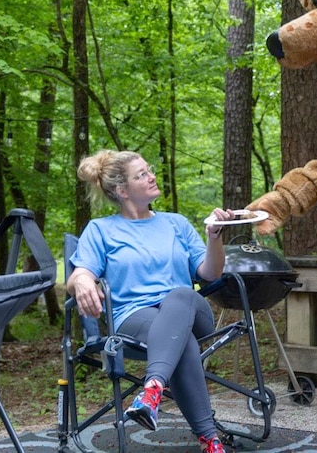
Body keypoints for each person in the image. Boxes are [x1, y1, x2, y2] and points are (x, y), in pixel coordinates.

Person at [67, 149, 234, 453]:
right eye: (141, 174)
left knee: (181, 294)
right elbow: (80, 273)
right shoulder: (101, 230)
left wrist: (214, 237)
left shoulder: (176, 224)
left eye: (149, 169)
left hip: (191, 312)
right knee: (181, 343)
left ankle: (152, 387)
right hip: (135, 319)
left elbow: (211, 272)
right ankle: (210, 441)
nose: (152, 176)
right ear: (122, 190)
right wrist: (82, 282)